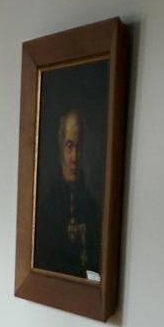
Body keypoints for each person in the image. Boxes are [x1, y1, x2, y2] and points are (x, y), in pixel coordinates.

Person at [34, 108, 101, 277]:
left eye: (79, 147)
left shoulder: (93, 210)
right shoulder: (46, 210)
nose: (74, 157)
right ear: (60, 149)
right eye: (69, 146)